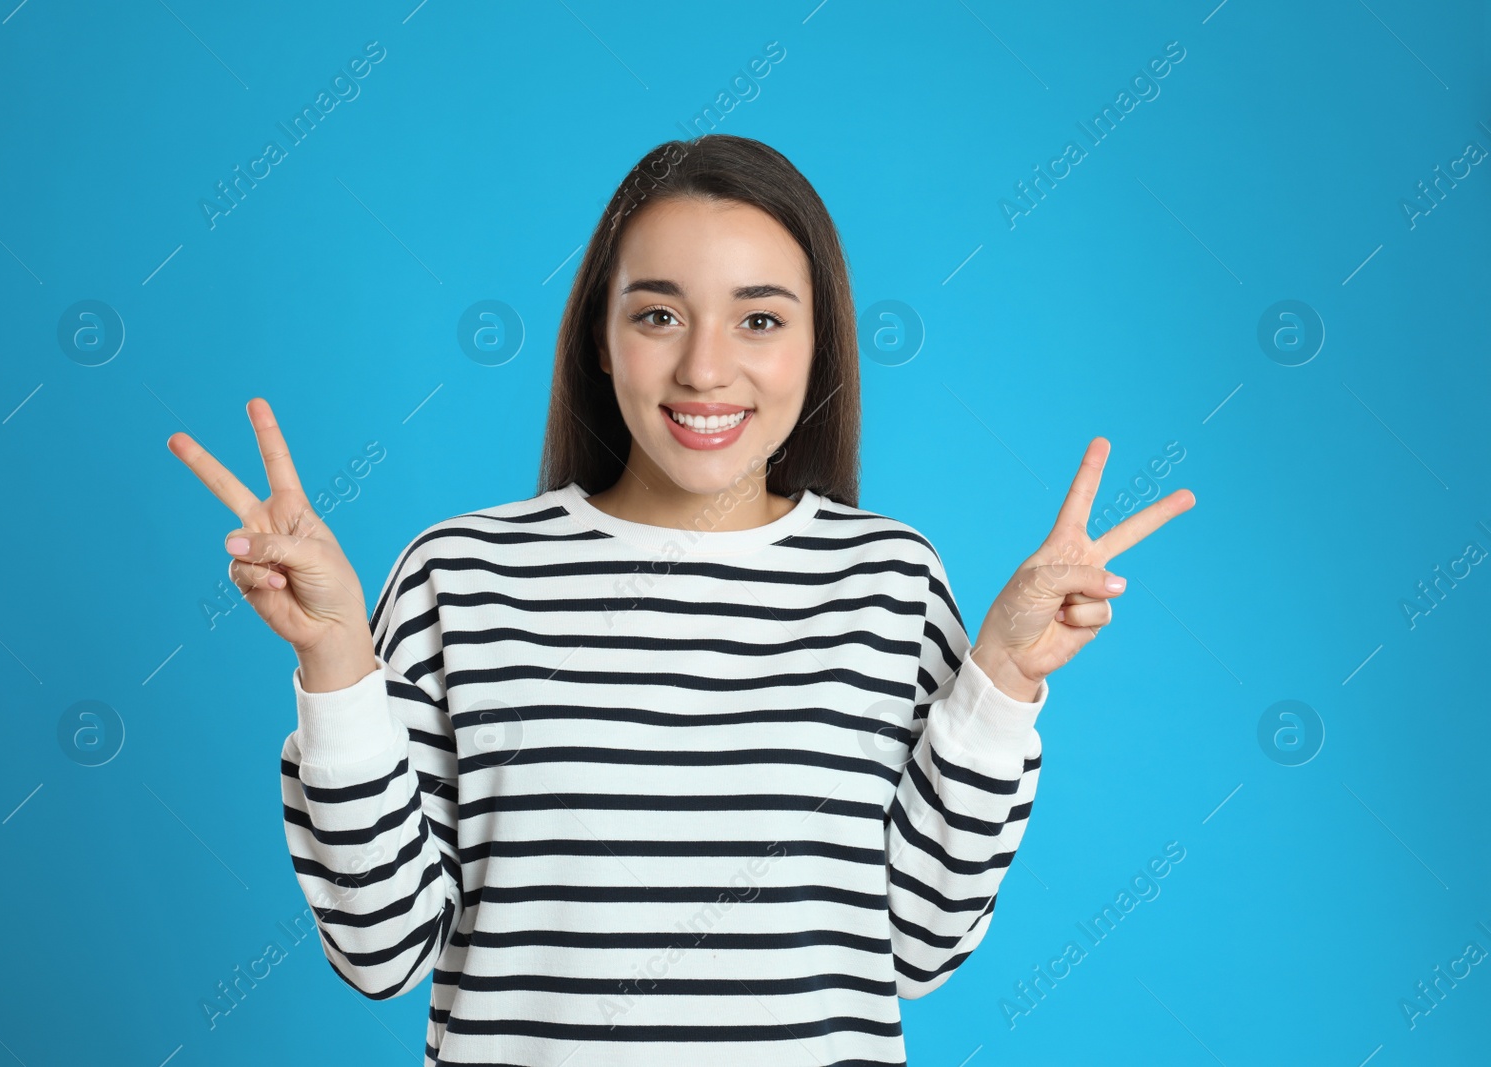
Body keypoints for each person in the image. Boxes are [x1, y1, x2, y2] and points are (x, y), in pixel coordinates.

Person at [168, 134, 1194, 1066]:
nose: (705, 367)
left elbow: (918, 945)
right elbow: (380, 949)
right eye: (657, 313)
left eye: (759, 318)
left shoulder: (889, 582)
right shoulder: (460, 577)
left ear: (816, 347)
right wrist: (338, 664)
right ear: (600, 338)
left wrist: (1003, 679)